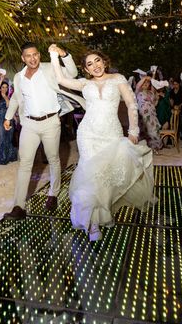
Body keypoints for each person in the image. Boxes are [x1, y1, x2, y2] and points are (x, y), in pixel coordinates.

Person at [49, 46, 154, 241]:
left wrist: (133, 131)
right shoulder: (83, 83)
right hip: (87, 134)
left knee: (104, 176)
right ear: (86, 70)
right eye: (89, 64)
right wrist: (54, 55)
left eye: (97, 61)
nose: (95, 66)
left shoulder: (118, 79)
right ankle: (93, 223)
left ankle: (103, 212)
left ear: (104, 61)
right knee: (90, 176)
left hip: (111, 133)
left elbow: (131, 104)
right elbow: (61, 79)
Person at [3, 42, 85, 219]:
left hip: (50, 123)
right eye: (28, 56)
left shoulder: (49, 69)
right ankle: (18, 206)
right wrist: (8, 117)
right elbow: (16, 98)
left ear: (39, 55)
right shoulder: (18, 77)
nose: (32, 59)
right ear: (23, 58)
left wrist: (63, 54)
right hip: (29, 125)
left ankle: (53, 194)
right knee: (25, 164)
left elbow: (72, 73)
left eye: (35, 55)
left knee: (53, 159)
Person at [0, 78, 18, 165]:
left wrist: (15, 118)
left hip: (9, 119)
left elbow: (10, 109)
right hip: (0, 119)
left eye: (6, 87)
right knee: (1, 138)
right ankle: (1, 158)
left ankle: (9, 156)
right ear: (0, 88)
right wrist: (1, 79)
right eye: (3, 87)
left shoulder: (8, 97)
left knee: (9, 138)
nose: (4, 89)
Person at [135, 76, 162, 151]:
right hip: (142, 117)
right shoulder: (138, 92)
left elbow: (154, 104)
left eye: (147, 83)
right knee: (144, 133)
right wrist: (146, 78)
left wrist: (152, 79)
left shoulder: (151, 93)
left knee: (153, 132)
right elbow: (137, 86)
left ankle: (155, 148)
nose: (146, 84)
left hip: (152, 116)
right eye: (144, 82)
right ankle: (145, 149)